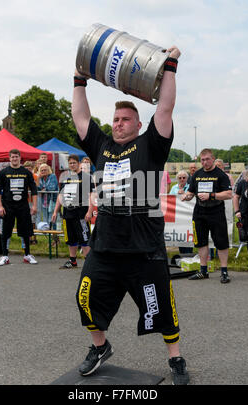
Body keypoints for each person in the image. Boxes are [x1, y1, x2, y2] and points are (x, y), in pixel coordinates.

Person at [72, 46, 190, 385]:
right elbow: (81, 117)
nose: (119, 124)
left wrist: (170, 65)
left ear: (139, 124)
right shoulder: (101, 146)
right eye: (115, 120)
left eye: (125, 120)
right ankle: (100, 347)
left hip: (144, 247)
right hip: (106, 244)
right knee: (85, 297)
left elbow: (165, 107)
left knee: (161, 307)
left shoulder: (151, 144)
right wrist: (79, 78)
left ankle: (176, 358)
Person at [181, 148, 232, 283]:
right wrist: (187, 196)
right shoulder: (197, 174)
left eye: (207, 159)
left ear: (213, 159)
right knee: (201, 242)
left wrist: (211, 195)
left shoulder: (221, 175)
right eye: (202, 160)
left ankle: (224, 272)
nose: (205, 162)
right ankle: (203, 271)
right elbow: (191, 192)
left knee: (221, 242)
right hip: (199, 212)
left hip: (216, 212)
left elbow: (228, 194)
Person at [0, 149, 38, 266]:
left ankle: (27, 255)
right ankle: (5, 256)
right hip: (7, 206)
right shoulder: (3, 172)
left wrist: (34, 205)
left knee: (26, 231)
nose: (14, 159)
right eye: (12, 157)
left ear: (20, 158)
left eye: (16, 157)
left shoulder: (26, 172)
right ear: (9, 158)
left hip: (23, 206)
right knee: (6, 232)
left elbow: (34, 190)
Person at [51, 154, 94, 269]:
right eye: (70, 163)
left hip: (81, 212)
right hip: (68, 212)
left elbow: (91, 196)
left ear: (79, 163)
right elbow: (61, 195)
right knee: (71, 239)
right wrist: (55, 211)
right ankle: (72, 261)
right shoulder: (65, 177)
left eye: (74, 162)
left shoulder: (86, 177)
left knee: (84, 239)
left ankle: (89, 264)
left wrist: (90, 211)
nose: (72, 165)